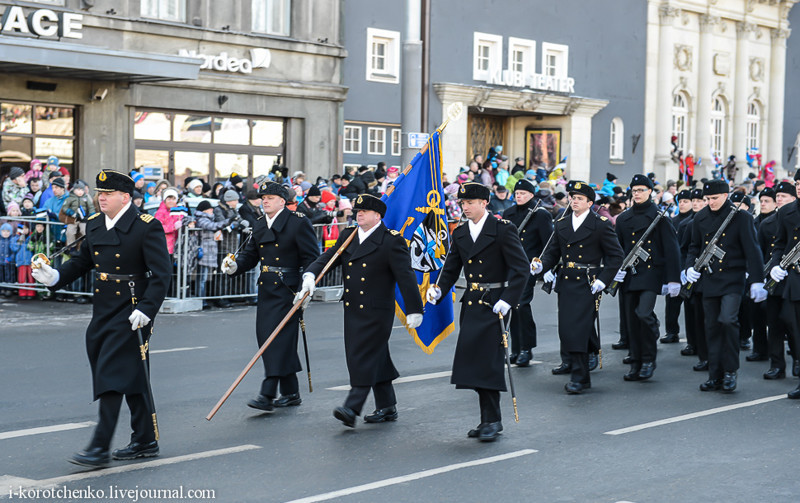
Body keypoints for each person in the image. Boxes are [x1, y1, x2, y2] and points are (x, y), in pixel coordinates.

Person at [31, 169, 172, 468]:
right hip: (104, 307)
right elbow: (84, 261)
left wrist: (147, 309)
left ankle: (99, 446)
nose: (101, 197)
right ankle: (145, 439)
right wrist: (54, 276)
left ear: (125, 197)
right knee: (130, 373)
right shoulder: (95, 224)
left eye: (107, 193)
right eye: (99, 192)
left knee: (112, 373)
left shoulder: (147, 227)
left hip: (133, 309)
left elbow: (162, 275)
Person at [301, 194, 423, 428]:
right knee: (373, 355)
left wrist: (414, 308)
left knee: (363, 356)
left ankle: (352, 406)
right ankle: (387, 406)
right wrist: (310, 275)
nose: (358, 214)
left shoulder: (391, 240)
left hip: (377, 310)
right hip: (353, 308)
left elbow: (405, 276)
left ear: (377, 216)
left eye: (364, 211)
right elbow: (329, 258)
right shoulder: (349, 236)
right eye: (357, 211)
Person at [427, 183, 529, 441]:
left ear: (484, 203)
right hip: (472, 301)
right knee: (473, 363)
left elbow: (521, 268)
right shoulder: (460, 232)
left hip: (495, 303)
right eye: (462, 203)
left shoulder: (503, 230)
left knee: (488, 362)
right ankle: (487, 418)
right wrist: (438, 289)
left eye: (470, 202)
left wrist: (508, 299)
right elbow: (450, 268)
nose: (465, 207)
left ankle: (492, 420)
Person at [221, 182, 320, 409]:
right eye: (263, 197)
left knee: (277, 339)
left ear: (282, 202)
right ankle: (291, 391)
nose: (265, 200)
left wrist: (307, 282)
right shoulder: (259, 224)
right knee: (268, 337)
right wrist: (235, 267)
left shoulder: (298, 222)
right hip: (267, 288)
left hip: (289, 290)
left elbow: (312, 257)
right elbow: (250, 255)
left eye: (271, 197)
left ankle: (267, 392)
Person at [533, 181, 624, 394]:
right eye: (572, 197)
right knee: (566, 328)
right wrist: (541, 265)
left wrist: (604, 279)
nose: (574, 201)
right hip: (567, 280)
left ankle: (580, 376)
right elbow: (552, 252)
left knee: (579, 329)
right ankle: (580, 370)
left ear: (590, 203)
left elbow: (616, 255)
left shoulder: (600, 224)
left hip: (588, 281)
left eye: (579, 198)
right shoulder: (562, 223)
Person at [684, 179, 766, 393]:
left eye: (714, 198)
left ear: (725, 195)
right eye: (707, 199)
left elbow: (753, 249)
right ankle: (715, 374)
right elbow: (694, 247)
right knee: (711, 327)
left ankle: (730, 371)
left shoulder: (741, 217)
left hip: (733, 277)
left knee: (728, 320)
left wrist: (757, 280)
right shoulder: (700, 218)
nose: (710, 202)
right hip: (709, 281)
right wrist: (689, 268)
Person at [613, 174, 681, 382]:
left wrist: (673, 279)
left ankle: (649, 359)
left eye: (642, 190)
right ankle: (636, 360)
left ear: (650, 192)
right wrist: (615, 269)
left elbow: (672, 249)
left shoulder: (659, 218)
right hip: (629, 275)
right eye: (634, 191)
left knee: (643, 313)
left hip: (651, 273)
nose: (638, 194)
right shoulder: (624, 218)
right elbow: (618, 248)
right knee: (631, 320)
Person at [501, 178, 552, 366]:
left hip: (529, 268)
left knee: (521, 306)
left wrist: (545, 266)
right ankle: (515, 349)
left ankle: (526, 349)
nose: (519, 196)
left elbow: (548, 243)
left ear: (531, 195)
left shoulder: (540, 215)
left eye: (522, 193)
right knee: (511, 306)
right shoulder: (509, 212)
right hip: (510, 267)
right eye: (516, 194)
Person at [757, 182, 799, 379]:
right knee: (773, 322)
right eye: (778, 196)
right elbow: (771, 249)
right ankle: (776, 364)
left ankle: (797, 361)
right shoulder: (768, 223)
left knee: (792, 322)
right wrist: (772, 266)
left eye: (784, 196)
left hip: (794, 278)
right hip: (776, 277)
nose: (779, 199)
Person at [767, 173, 800, 398]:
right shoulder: (787, 212)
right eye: (798, 184)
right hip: (796, 281)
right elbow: (779, 244)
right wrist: (775, 265)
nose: (799, 188)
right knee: (796, 329)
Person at [662, 189, 694, 344]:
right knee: (672, 302)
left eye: (686, 201)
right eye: (680, 202)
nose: (682, 204)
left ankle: (692, 338)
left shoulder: (694, 220)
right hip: (675, 267)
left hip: (689, 267)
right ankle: (671, 331)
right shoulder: (673, 221)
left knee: (690, 306)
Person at [10, 223, 34, 299]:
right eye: (23, 228)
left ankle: (31, 292)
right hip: (21, 261)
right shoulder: (16, 238)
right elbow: (14, 248)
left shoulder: (32, 237)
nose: (24, 230)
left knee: (30, 277)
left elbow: (33, 248)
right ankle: (22, 292)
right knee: (22, 277)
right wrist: (19, 240)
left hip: (30, 260)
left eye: (26, 228)